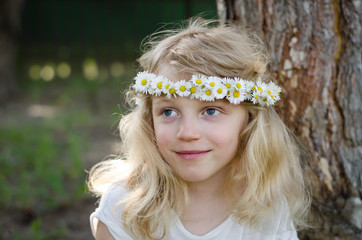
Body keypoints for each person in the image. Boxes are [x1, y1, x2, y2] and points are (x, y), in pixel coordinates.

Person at [88, 18, 310, 240]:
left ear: (249, 120)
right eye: (168, 112)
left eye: (211, 111)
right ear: (149, 121)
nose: (187, 133)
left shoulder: (266, 209)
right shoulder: (124, 208)